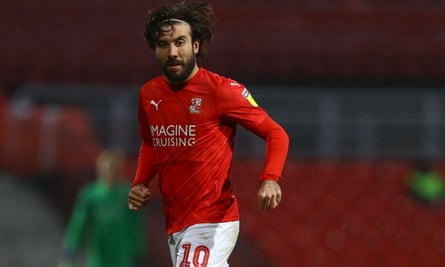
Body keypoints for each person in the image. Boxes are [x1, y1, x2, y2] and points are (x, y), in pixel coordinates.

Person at [127, 1, 289, 266]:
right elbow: (151, 143)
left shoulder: (221, 90)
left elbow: (276, 133)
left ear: (196, 46)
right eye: (163, 44)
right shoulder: (149, 94)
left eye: (180, 42)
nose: (172, 52)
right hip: (176, 224)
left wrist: (270, 178)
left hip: (212, 219)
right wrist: (140, 182)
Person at [59, 150, 147, 267]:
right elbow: (78, 224)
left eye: (114, 169)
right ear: (99, 170)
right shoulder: (91, 195)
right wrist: (70, 250)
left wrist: (139, 253)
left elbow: (135, 226)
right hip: (99, 257)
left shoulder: (128, 194)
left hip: (122, 257)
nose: (111, 173)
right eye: (108, 169)